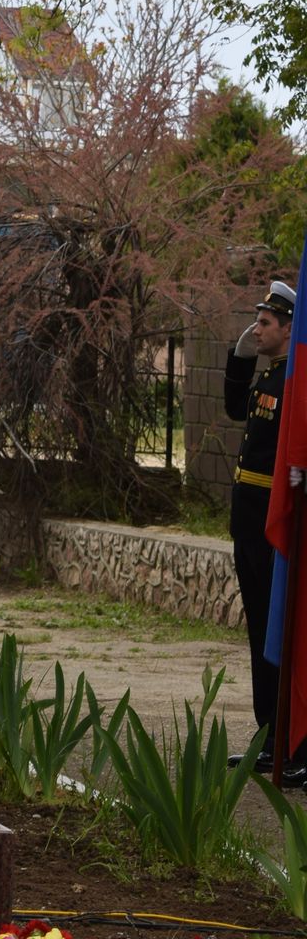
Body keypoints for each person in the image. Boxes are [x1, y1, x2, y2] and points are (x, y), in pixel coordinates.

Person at [225, 278, 301, 775]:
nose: (257, 328)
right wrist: (239, 357)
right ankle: (269, 731)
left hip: (275, 525)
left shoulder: (296, 382)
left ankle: (290, 739)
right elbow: (235, 410)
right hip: (249, 522)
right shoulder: (270, 378)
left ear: (290, 327)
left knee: (281, 632)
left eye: (266, 322)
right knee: (259, 630)